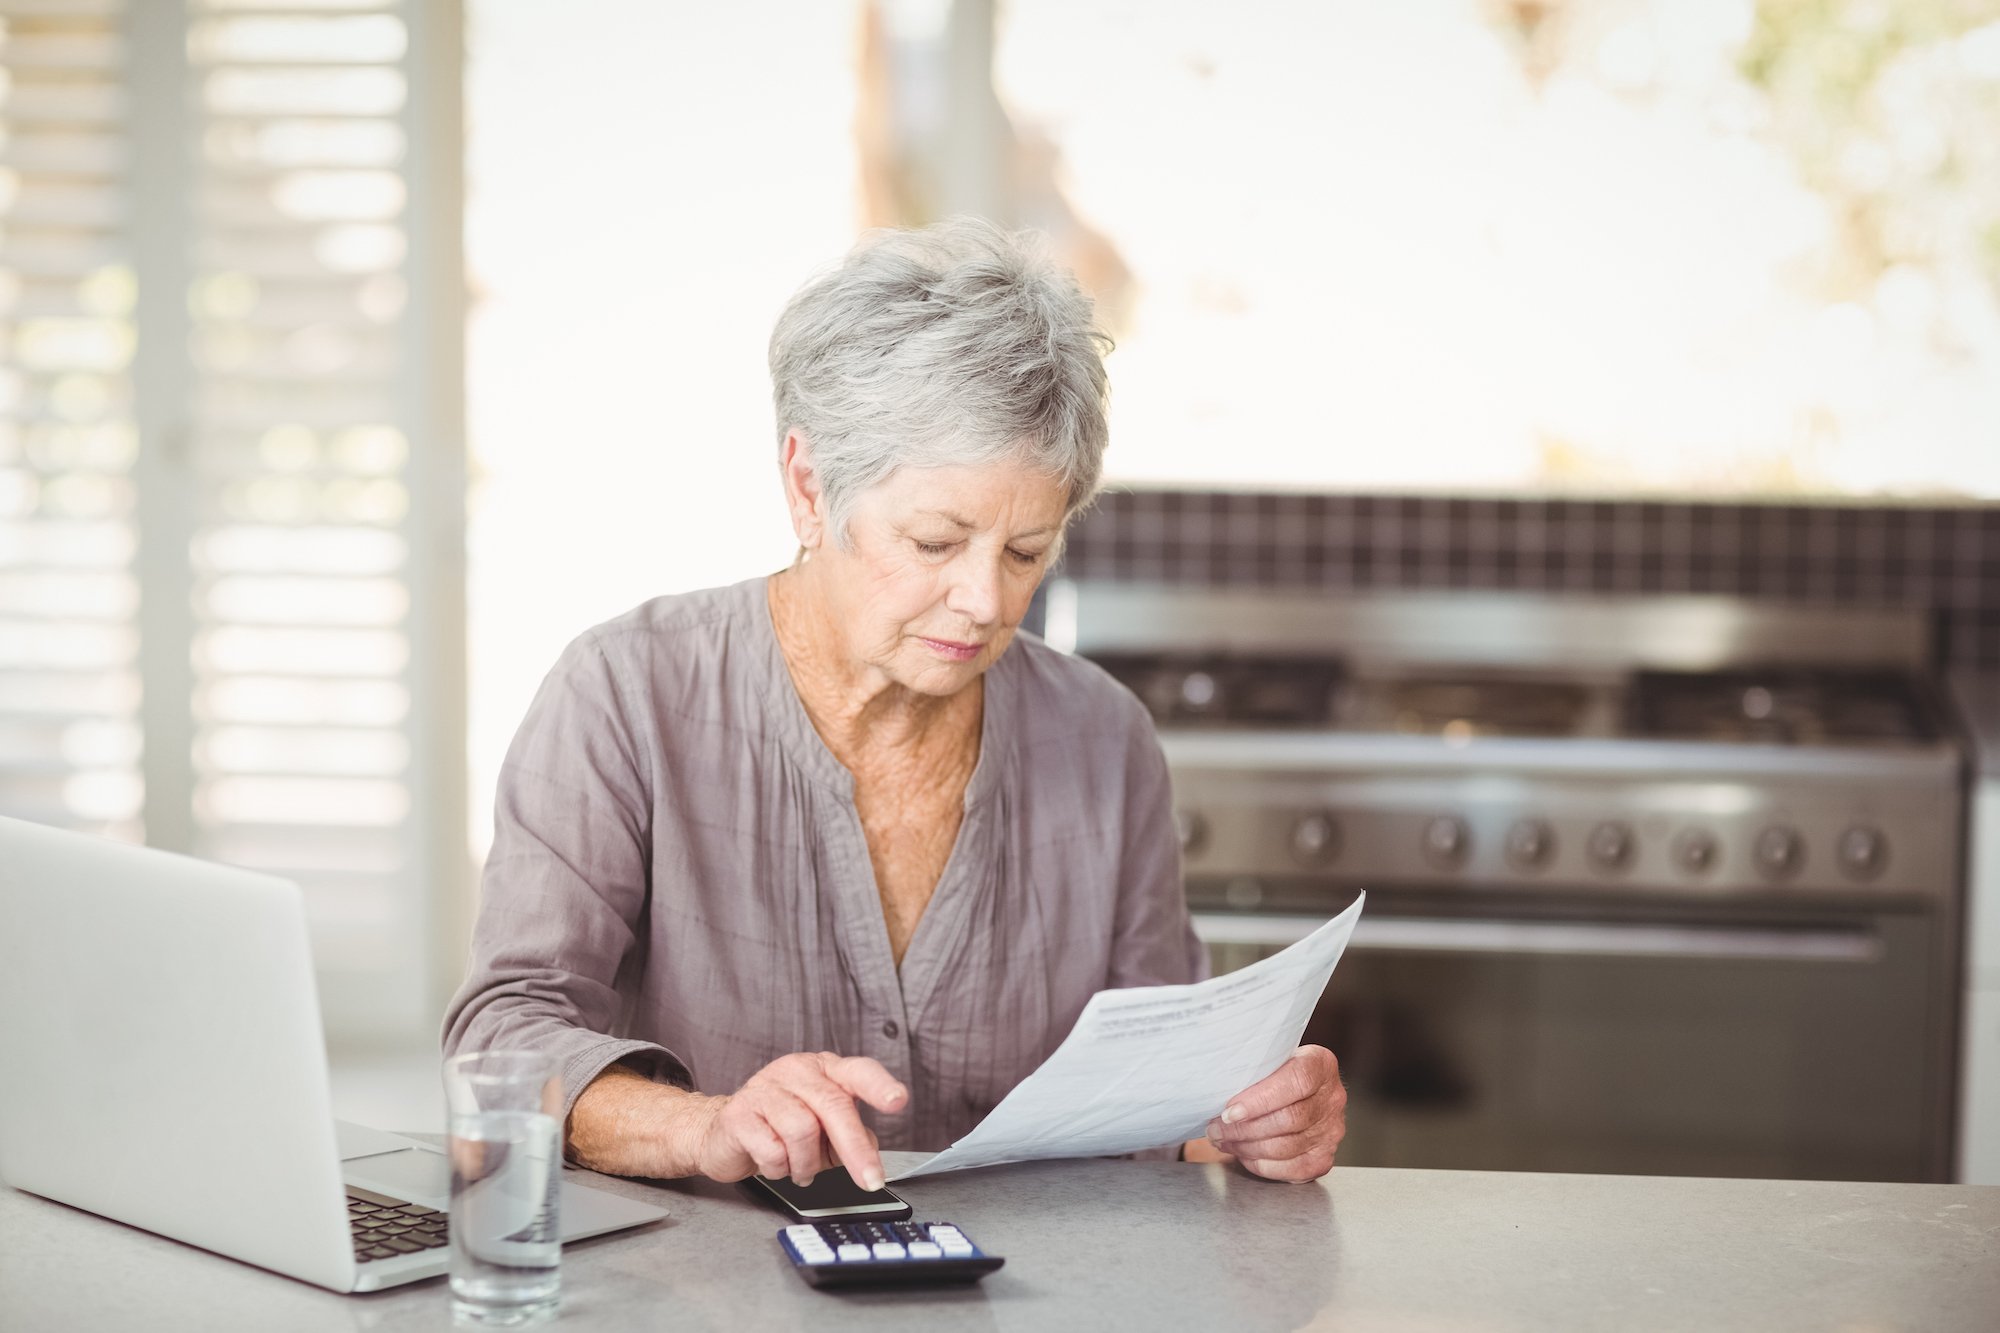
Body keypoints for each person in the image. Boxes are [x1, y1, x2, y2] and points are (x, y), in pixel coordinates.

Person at [443, 218, 1346, 1192]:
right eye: (933, 541)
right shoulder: (623, 696)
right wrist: (706, 1126)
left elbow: (1165, 1106)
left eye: (1025, 550)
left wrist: (1249, 1120)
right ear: (806, 486)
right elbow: (501, 1042)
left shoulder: (1103, 739)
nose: (987, 600)